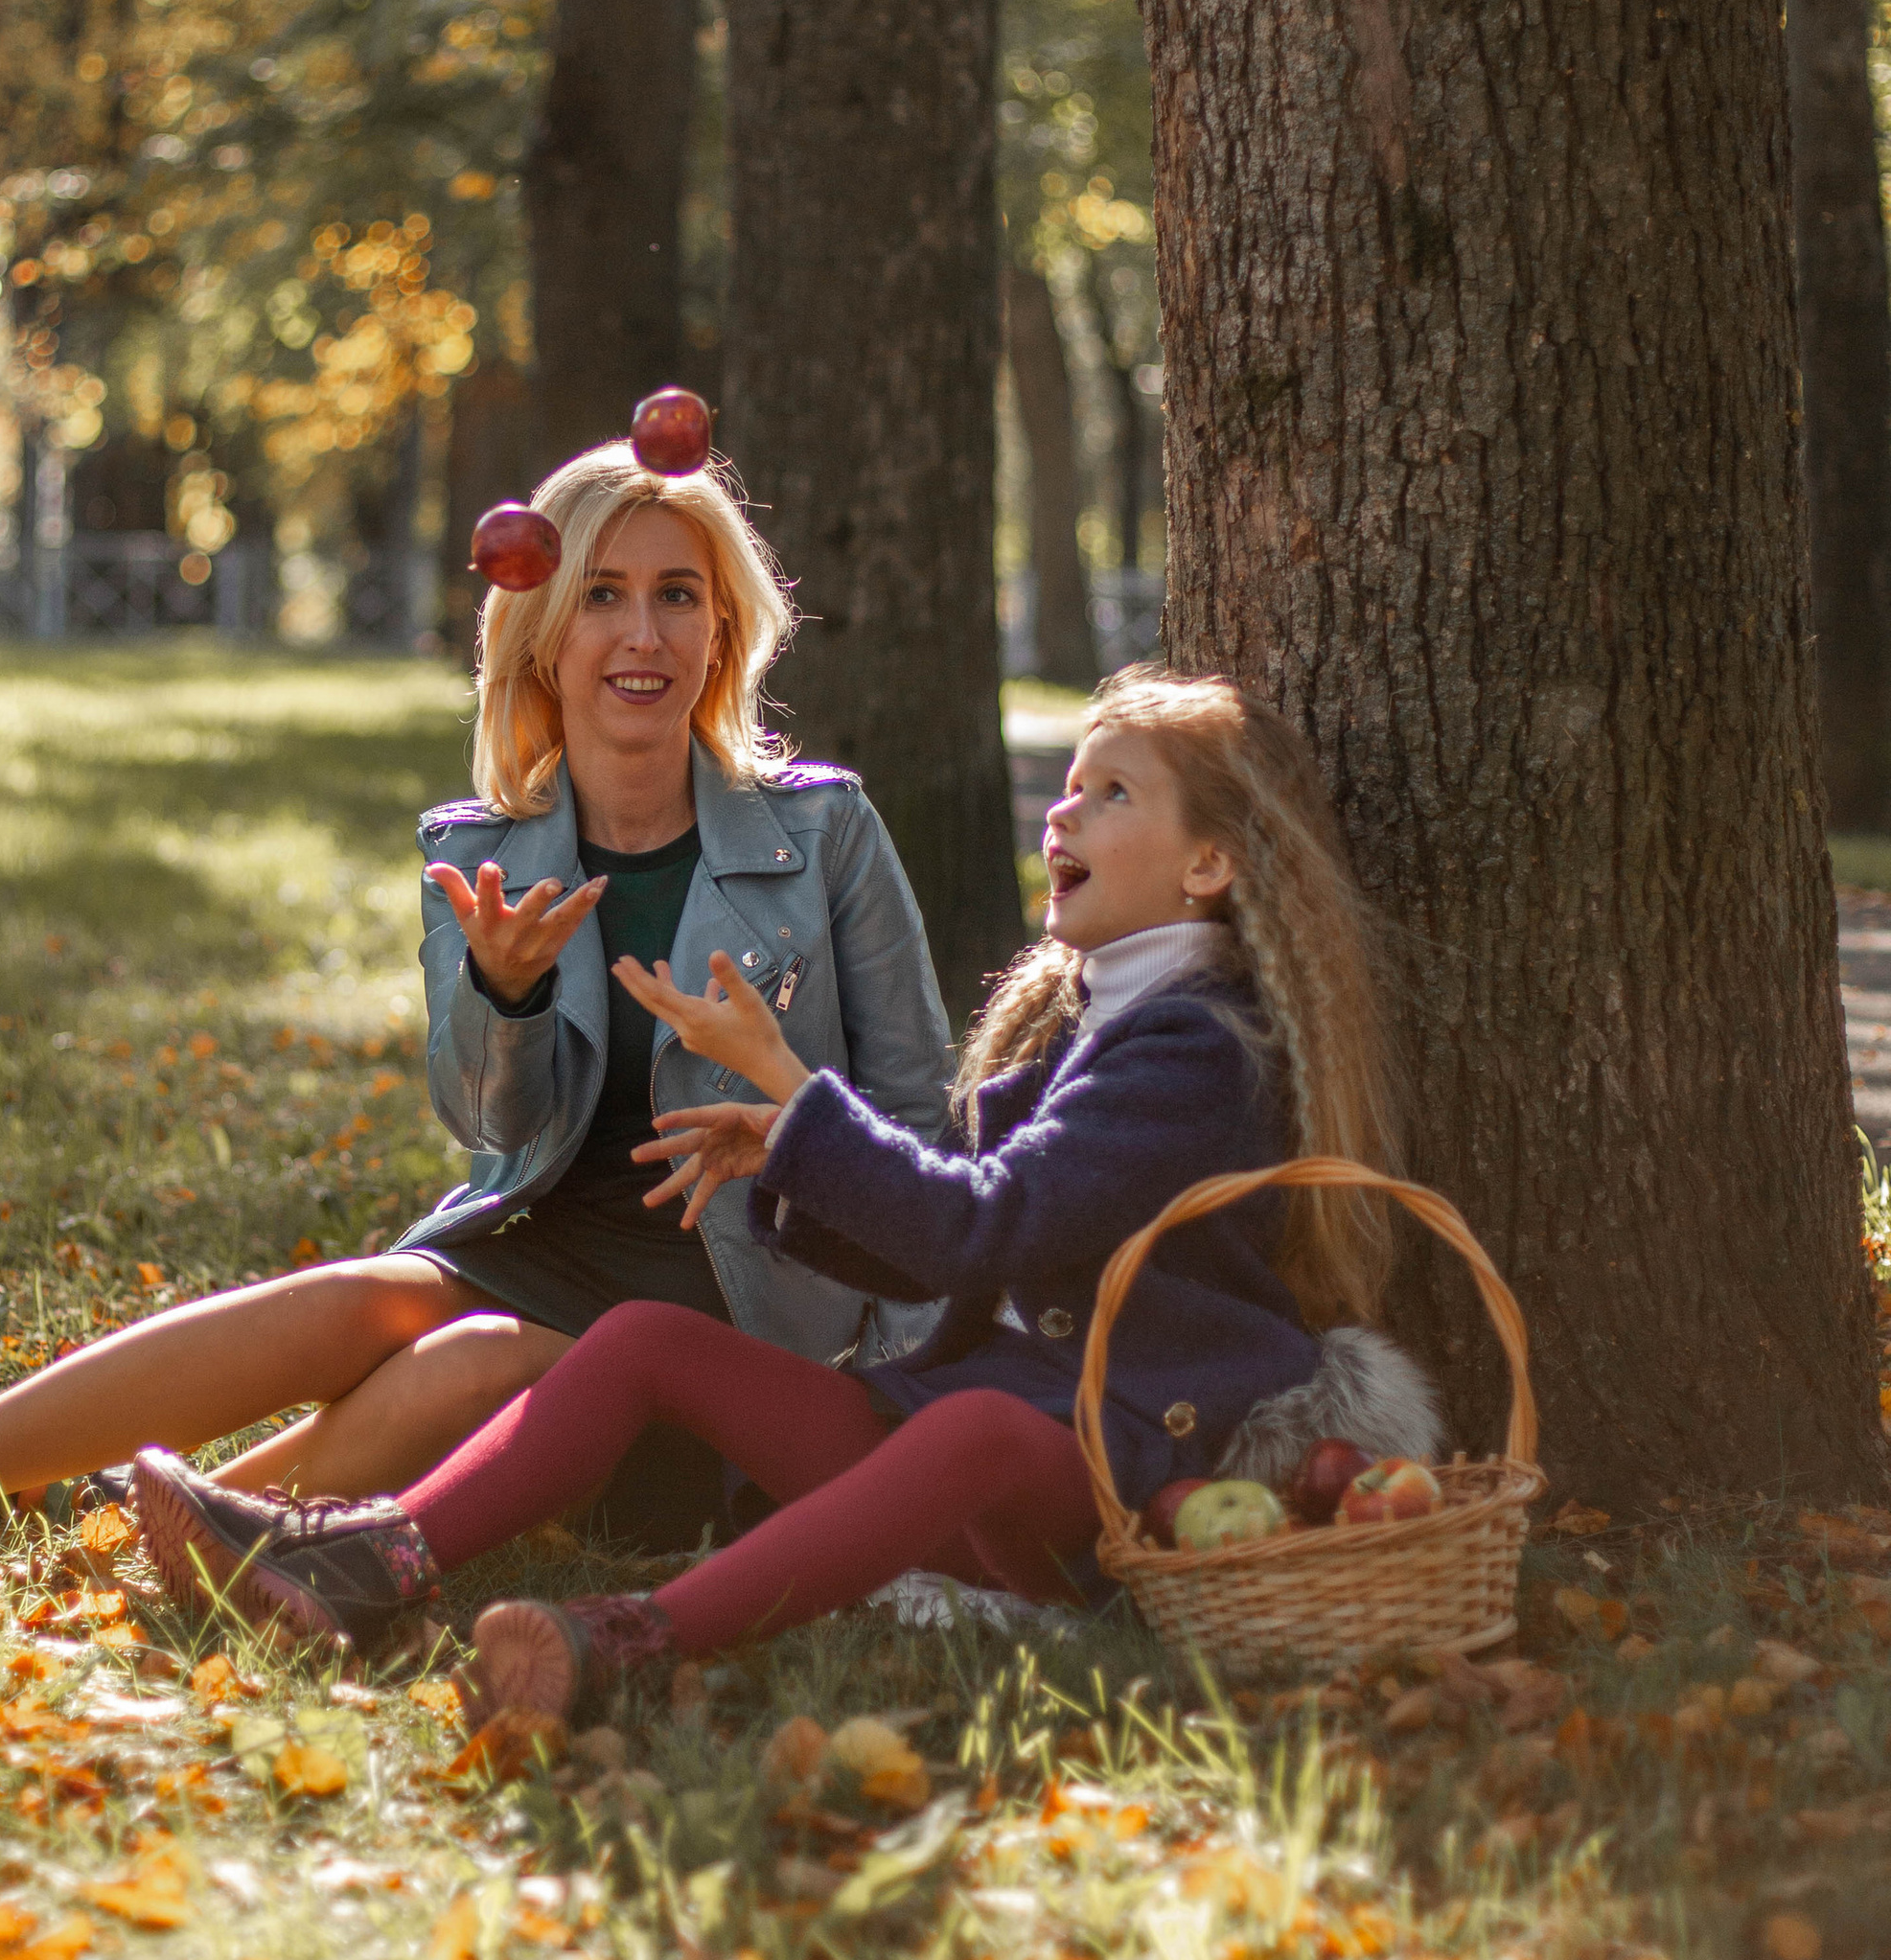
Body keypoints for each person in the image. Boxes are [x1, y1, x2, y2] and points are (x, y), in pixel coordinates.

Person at [0, 442, 951, 1552]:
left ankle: (142, 1531)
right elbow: (487, 1123)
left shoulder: (822, 835)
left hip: (740, 1315)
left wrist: (869, 1360)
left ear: (725, 629)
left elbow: (920, 1128)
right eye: (603, 596)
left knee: (468, 1359)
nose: (642, 633)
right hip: (542, 1248)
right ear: (544, 634)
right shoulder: (481, 852)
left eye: (678, 594)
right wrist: (505, 993)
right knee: (370, 1298)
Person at [128, 667, 1440, 1714]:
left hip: (1101, 1484)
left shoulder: (1194, 1051)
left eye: (1110, 796)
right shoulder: (1086, 1025)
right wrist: (784, 1158)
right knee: (644, 1340)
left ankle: (631, 1640)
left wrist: (794, 1088)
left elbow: (992, 1224)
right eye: (1071, 787)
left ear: (1209, 867)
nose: (1062, 813)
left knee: (968, 1438)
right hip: (952, 1439)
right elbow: (940, 1244)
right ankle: (375, 1559)